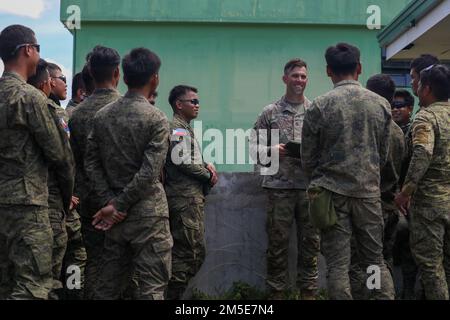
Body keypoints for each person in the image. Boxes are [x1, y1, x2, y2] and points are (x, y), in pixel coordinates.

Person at [301, 43, 394, 300]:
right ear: (360, 68)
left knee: (337, 265)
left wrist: (317, 185)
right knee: (374, 260)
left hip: (331, 196)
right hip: (368, 195)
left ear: (329, 70)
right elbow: (383, 155)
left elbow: (308, 158)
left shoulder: (319, 106)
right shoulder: (381, 104)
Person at [86, 47, 172, 300]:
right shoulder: (156, 118)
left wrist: (110, 204)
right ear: (155, 78)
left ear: (123, 77)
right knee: (151, 288)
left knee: (108, 288)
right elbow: (149, 172)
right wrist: (119, 205)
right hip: (148, 215)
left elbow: (91, 163)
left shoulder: (102, 116)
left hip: (113, 218)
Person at [0, 24, 73, 299]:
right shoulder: (31, 98)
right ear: (27, 50)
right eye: (38, 48)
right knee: (33, 287)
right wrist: (65, 201)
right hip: (28, 207)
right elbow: (60, 157)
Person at [252, 59, 320, 300]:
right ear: (285, 79)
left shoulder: (315, 111)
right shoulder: (269, 113)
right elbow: (253, 148)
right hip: (278, 188)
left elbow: (325, 148)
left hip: (308, 189)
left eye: (303, 76)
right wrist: (272, 150)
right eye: (295, 76)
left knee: (310, 243)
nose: (299, 80)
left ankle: (308, 293)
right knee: (277, 244)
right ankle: (276, 294)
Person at [68, 45, 121, 299]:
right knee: (126, 268)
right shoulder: (129, 108)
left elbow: (71, 162)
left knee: (92, 263)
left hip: (88, 203)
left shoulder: (75, 116)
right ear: (117, 73)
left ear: (89, 72)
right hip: (124, 204)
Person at [395, 64, 450, 300]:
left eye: (417, 84)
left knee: (430, 265)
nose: (414, 88)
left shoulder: (426, 117)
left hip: (430, 205)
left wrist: (406, 191)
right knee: (446, 263)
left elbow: (423, 153)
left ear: (426, 89)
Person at [349, 74, 405, 299]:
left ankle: (376, 295)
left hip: (370, 207)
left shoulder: (370, 130)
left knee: (366, 264)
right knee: (384, 260)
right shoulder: (398, 132)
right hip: (389, 205)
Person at [27, 59, 77, 299]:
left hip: (26, 200)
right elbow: (62, 158)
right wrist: (68, 198)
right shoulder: (51, 110)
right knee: (48, 276)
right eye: (61, 79)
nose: (63, 83)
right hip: (50, 201)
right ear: (47, 82)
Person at [165, 85, 219, 300]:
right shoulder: (177, 129)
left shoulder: (184, 128)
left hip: (189, 198)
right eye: (193, 101)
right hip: (183, 199)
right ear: (179, 105)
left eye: (198, 101)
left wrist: (206, 165)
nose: (198, 105)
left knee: (191, 253)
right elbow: (182, 160)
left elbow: (189, 159)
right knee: (189, 254)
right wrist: (207, 175)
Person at [391, 89, 418, 299]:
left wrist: (406, 192)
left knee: (409, 240)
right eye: (393, 105)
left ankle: (408, 291)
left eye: (400, 105)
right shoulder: (387, 131)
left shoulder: (415, 131)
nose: (395, 109)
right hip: (391, 196)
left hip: (411, 197)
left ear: (410, 108)